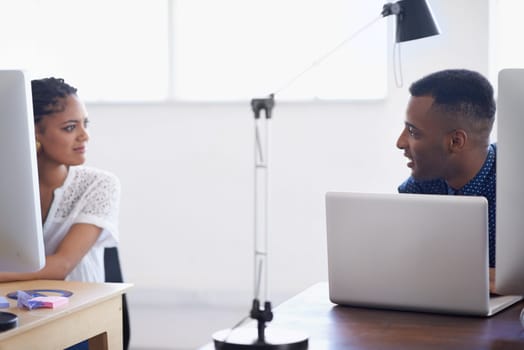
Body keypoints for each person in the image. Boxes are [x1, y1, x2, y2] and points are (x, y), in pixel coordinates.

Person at [0, 77, 120, 284]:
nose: (85, 136)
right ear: (33, 132)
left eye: (85, 124)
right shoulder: (7, 186)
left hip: (80, 306)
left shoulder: (99, 184)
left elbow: (62, 265)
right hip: (18, 304)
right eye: (70, 127)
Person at [395, 69, 497, 289]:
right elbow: (408, 265)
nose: (400, 143)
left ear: (456, 141)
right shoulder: (420, 187)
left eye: (413, 132)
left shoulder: (513, 181)